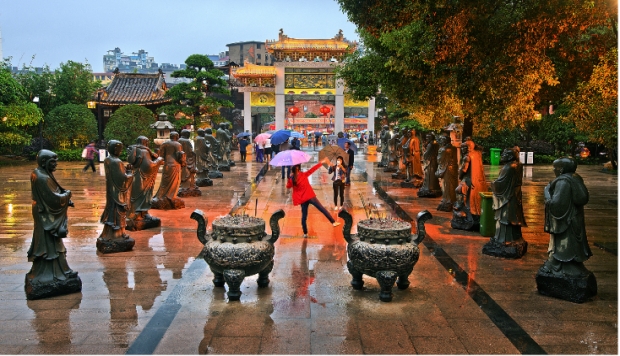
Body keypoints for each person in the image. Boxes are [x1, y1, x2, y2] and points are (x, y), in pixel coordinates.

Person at [27, 149, 79, 296]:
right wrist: (66, 195)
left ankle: (60, 271)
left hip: (44, 212)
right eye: (53, 162)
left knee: (54, 245)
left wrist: (64, 199)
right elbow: (53, 199)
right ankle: (50, 275)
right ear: (44, 162)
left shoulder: (41, 173)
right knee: (48, 244)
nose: (56, 164)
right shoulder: (42, 177)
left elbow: (54, 195)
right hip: (45, 216)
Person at [542, 157, 592, 276]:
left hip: (566, 222)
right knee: (574, 244)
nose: (553, 170)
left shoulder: (563, 182)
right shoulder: (575, 179)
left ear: (561, 169)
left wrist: (547, 193)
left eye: (555, 167)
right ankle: (572, 265)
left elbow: (557, 205)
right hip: (575, 219)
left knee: (564, 244)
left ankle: (560, 266)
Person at [287, 157, 340, 238]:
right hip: (310, 196)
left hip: (303, 199)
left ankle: (305, 233)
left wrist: (290, 178)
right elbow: (313, 169)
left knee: (304, 216)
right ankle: (333, 222)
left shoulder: (292, 179)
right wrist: (321, 162)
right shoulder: (303, 175)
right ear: (298, 168)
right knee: (322, 209)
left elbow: (288, 186)